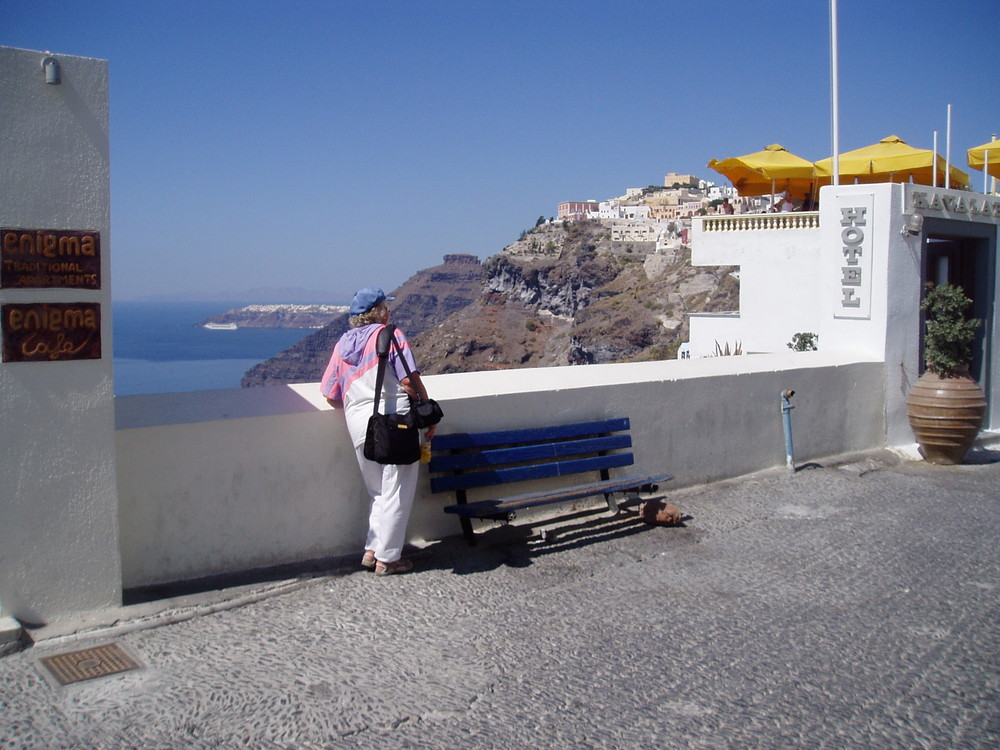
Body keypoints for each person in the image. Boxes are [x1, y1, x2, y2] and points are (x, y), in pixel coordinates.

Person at [320, 287, 437, 576]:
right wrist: (426, 410)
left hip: (359, 422)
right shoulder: (390, 335)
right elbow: (409, 381)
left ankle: (372, 550)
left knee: (377, 490)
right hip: (394, 420)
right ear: (378, 312)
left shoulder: (341, 346)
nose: (389, 311)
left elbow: (329, 392)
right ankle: (389, 558)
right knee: (397, 489)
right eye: (386, 307)